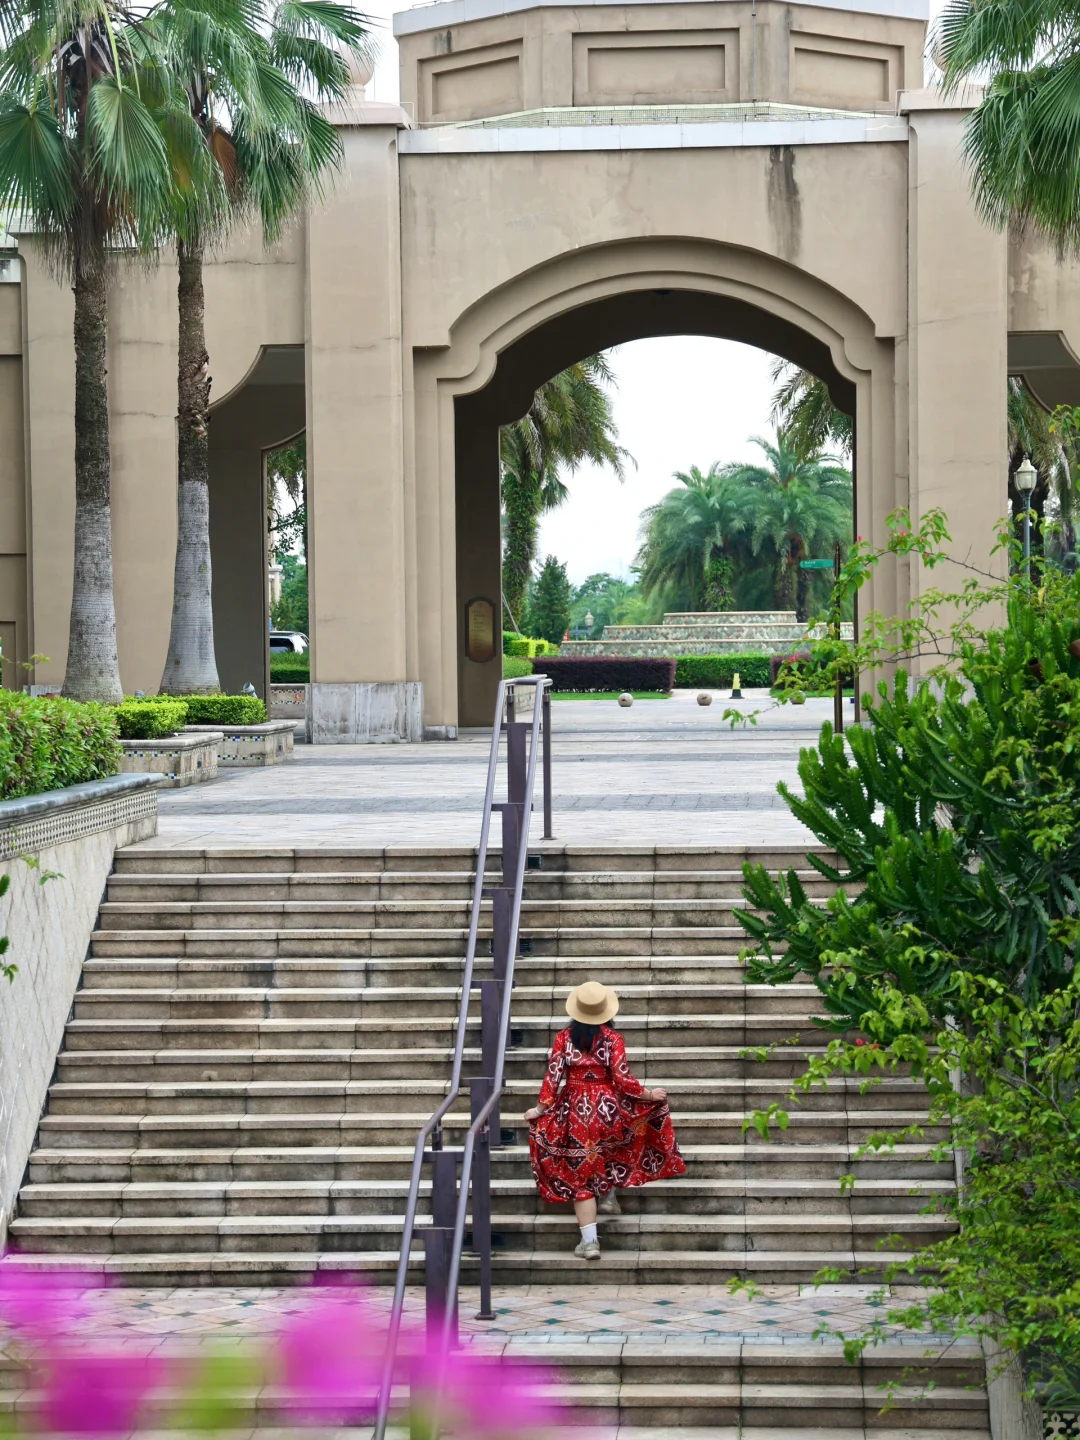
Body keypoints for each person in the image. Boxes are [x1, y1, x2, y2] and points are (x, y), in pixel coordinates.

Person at [525, 980, 686, 1260]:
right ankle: (609, 1197)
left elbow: (552, 1079)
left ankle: (590, 1243)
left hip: (573, 1110)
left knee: (580, 1173)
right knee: (612, 1148)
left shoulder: (563, 1038)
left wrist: (539, 1110)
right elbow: (623, 1079)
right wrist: (648, 1094)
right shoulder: (613, 1039)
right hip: (607, 1108)